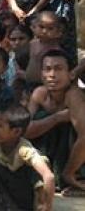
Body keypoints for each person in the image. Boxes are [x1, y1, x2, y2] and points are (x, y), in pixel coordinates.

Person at [0, 104, 55, 211]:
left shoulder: (25, 149)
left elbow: (49, 176)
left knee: (36, 175)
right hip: (8, 185)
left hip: (26, 189)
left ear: (16, 131)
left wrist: (47, 205)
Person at [25, 50, 85, 195]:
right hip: (52, 155)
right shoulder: (40, 94)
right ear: (41, 75)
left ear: (71, 74)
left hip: (76, 159)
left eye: (58, 69)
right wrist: (56, 118)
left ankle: (76, 177)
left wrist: (69, 173)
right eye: (47, 69)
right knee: (41, 117)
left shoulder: (74, 94)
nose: (52, 74)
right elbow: (24, 130)